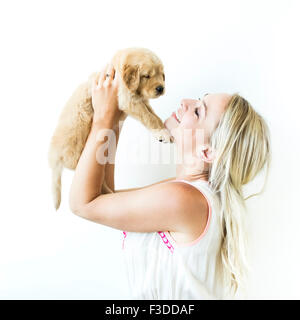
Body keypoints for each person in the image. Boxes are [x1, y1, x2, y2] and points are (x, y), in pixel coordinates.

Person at [69, 64, 271, 299]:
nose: (186, 102)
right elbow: (105, 198)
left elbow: (84, 204)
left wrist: (104, 119)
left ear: (207, 152)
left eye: (198, 112)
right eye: (198, 100)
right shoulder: (189, 195)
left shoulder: (184, 200)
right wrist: (117, 116)